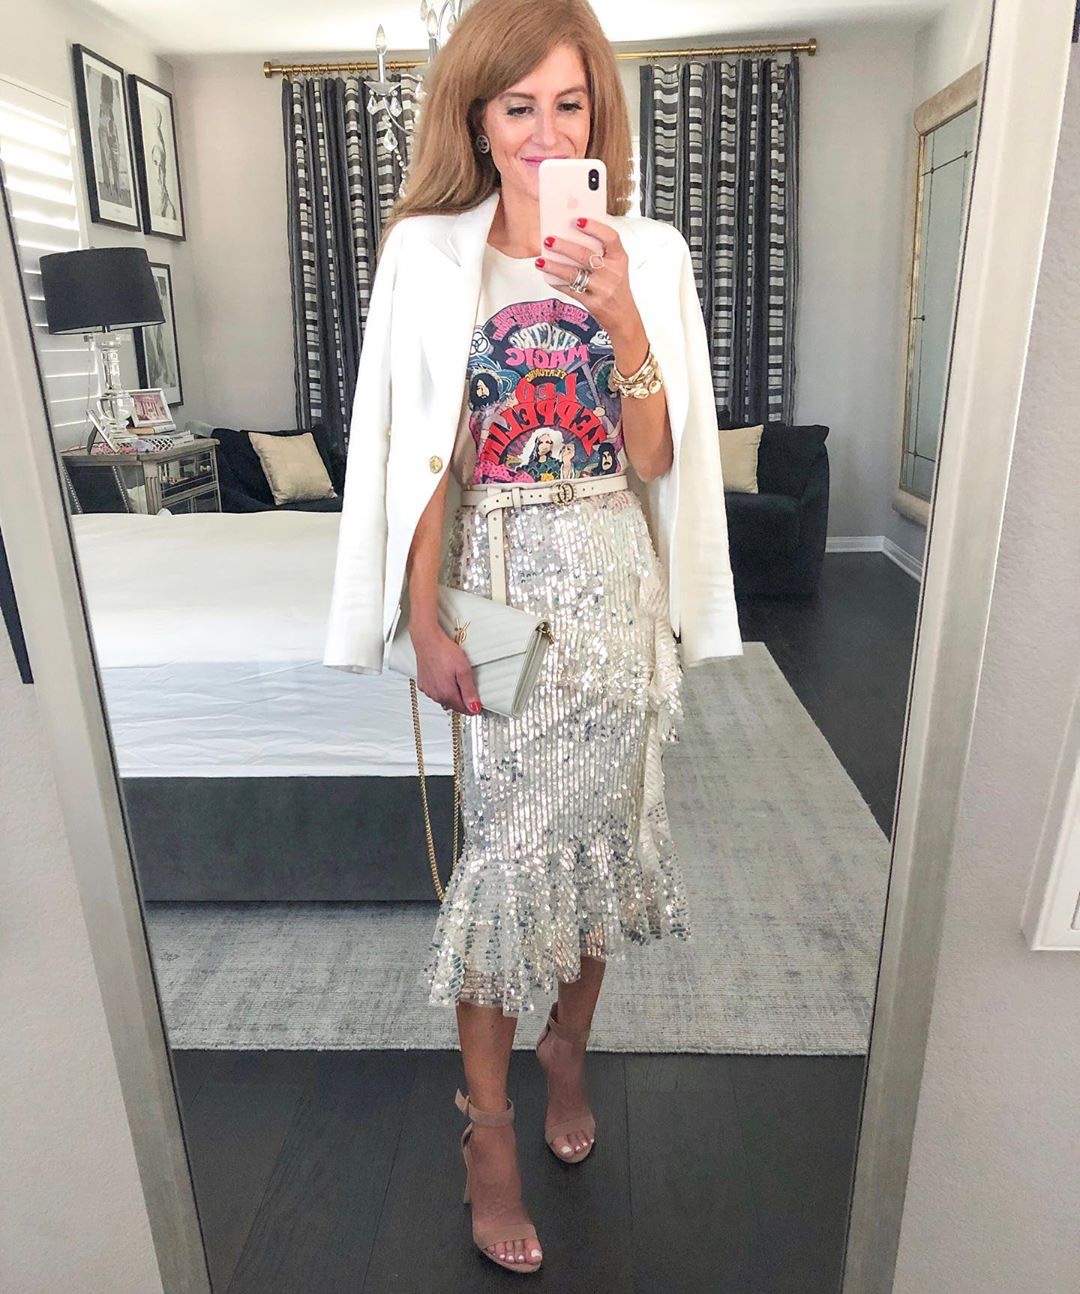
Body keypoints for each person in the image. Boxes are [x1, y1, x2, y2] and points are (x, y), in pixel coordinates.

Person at [323, 0, 741, 1273]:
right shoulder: (425, 254)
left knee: (601, 850)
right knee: (507, 867)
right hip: (497, 585)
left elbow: (658, 458)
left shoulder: (649, 252)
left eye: (570, 105)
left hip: (615, 587)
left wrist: (622, 316)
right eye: (519, 107)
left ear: (597, 114)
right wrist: (420, 618)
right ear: (477, 118)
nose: (546, 133)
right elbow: (416, 457)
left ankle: (570, 1048)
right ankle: (489, 1133)